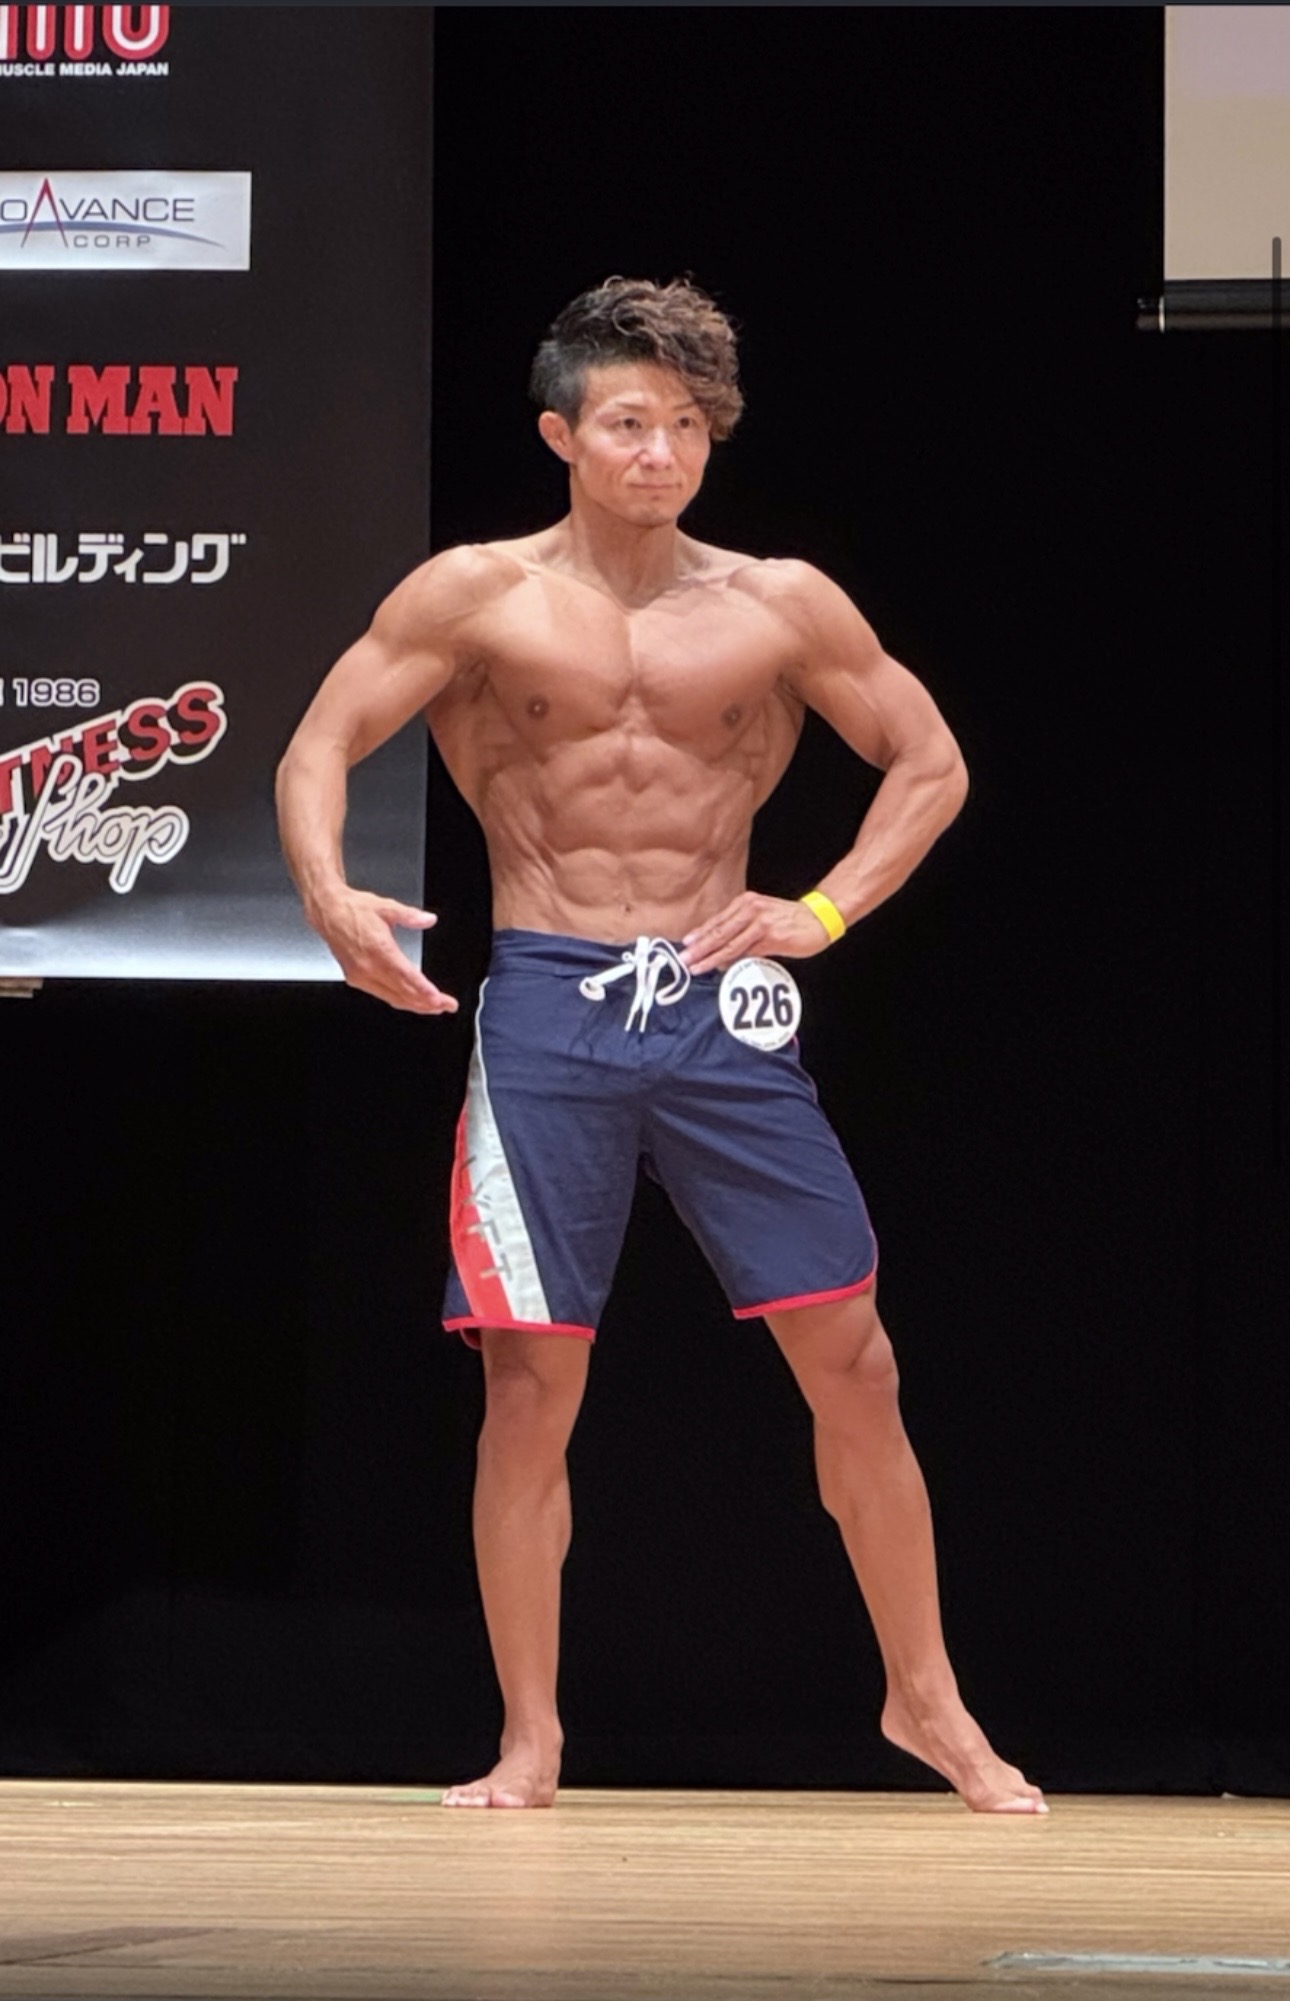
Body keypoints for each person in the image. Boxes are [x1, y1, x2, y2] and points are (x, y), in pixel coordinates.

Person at [275, 277, 1045, 1816]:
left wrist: (819, 909)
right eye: (629, 422)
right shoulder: (475, 595)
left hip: (715, 996)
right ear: (560, 433)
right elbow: (319, 743)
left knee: (854, 1356)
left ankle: (924, 1700)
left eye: (687, 425)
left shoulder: (778, 603)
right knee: (528, 1381)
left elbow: (929, 759)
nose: (661, 452)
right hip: (547, 998)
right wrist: (331, 898)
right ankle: (531, 1737)